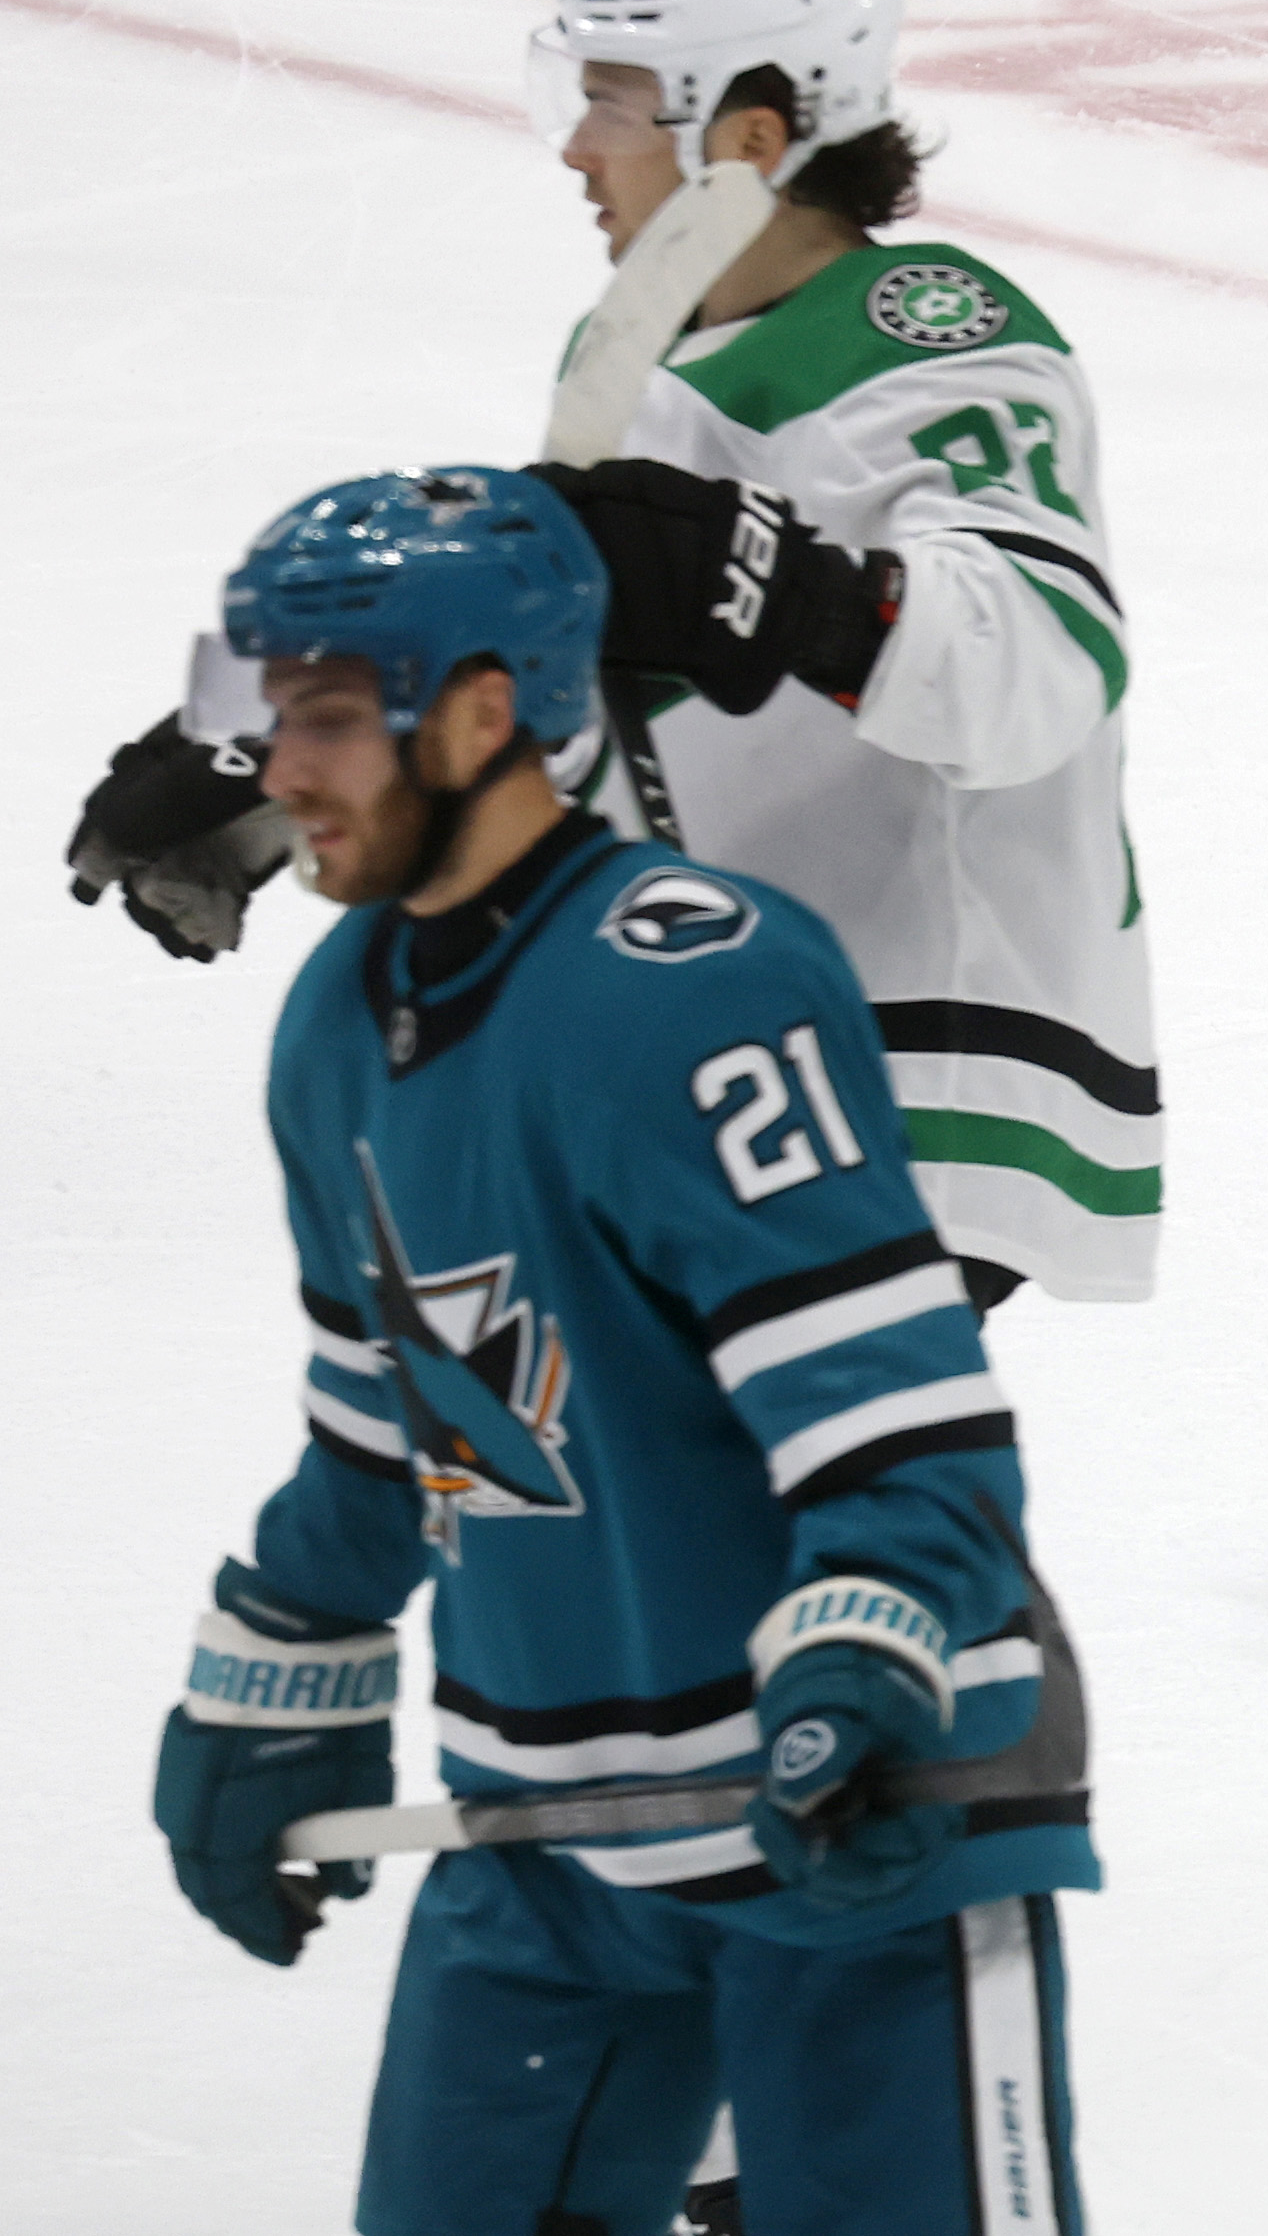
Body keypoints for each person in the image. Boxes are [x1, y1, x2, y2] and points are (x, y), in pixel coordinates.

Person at [147, 466, 1093, 2235]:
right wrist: (287, 1647)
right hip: (547, 1844)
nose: (279, 772)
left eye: (331, 719)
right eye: (270, 714)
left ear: (485, 714)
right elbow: (387, 1426)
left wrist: (867, 1661)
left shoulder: (693, 982)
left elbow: (896, 1416)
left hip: (854, 1816)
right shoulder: (338, 1026)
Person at [62, 0, 1162, 1310]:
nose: (578, 146)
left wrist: (792, 593)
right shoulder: (626, 340)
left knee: (697, 1491)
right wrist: (304, 764)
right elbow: (565, 659)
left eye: (615, 102)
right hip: (722, 1019)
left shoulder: (933, 338)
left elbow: (1042, 673)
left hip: (921, 1048)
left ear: (748, 134)